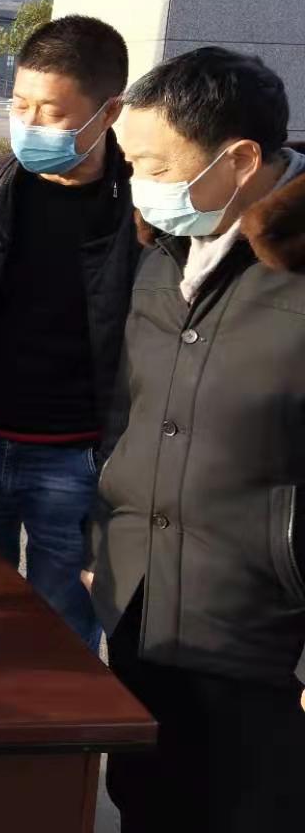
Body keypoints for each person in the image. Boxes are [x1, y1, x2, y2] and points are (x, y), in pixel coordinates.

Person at [86, 47, 305, 831]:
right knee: (148, 801)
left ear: (239, 159)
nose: (137, 182)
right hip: (145, 610)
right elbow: (130, 411)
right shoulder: (165, 246)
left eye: (153, 164)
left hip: (263, 634)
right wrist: (106, 541)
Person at [0, 15, 135, 647]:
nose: (30, 124)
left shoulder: (139, 213)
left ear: (108, 112)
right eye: (20, 105)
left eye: (52, 113)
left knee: (61, 631)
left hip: (77, 459)